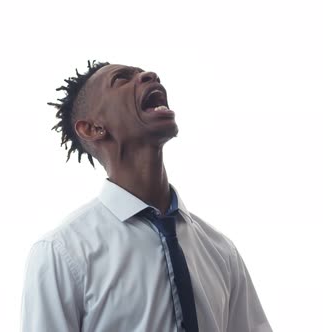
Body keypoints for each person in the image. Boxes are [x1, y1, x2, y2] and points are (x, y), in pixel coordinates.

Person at [21, 61, 272, 332]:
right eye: (121, 79)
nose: (149, 75)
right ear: (93, 128)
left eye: (143, 73)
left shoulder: (221, 251)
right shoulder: (62, 252)